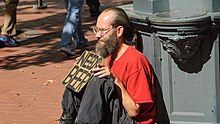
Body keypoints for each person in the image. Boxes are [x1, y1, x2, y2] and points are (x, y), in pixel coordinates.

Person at [59, 7, 157, 124]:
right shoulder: (112, 55)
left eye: (103, 30)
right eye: (96, 30)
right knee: (84, 73)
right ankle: (67, 119)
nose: (97, 35)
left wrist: (115, 79)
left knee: (99, 81)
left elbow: (134, 111)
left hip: (133, 121)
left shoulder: (135, 61)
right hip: (117, 114)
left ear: (119, 31)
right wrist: (87, 69)